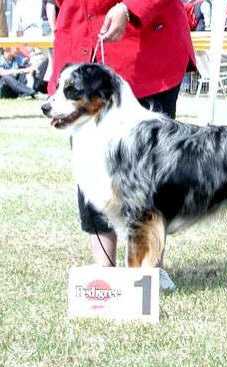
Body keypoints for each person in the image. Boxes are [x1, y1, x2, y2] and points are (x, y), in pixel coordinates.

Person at [49, 0, 195, 267]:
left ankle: (149, 270)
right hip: (82, 40)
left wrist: (129, 8)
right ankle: (103, 270)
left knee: (148, 180)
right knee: (92, 170)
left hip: (146, 47)